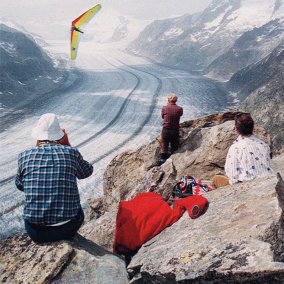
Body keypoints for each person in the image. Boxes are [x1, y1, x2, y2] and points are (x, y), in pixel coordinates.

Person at [15, 113, 93, 243]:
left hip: (36, 232)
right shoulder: (70, 153)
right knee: (78, 212)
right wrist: (68, 146)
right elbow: (87, 172)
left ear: (37, 136)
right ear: (60, 136)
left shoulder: (25, 156)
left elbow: (20, 185)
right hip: (69, 227)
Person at [212, 112, 273, 188]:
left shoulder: (235, 148)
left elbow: (233, 176)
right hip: (267, 183)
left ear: (237, 129)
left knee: (216, 179)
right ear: (252, 127)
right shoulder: (263, 145)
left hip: (247, 187)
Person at [159, 93, 183, 164]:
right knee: (174, 146)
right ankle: (173, 160)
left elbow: (163, 117)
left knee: (164, 145)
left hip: (166, 130)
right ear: (176, 100)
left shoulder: (164, 108)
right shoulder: (179, 109)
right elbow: (180, 115)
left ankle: (163, 161)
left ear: (168, 100)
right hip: (175, 130)